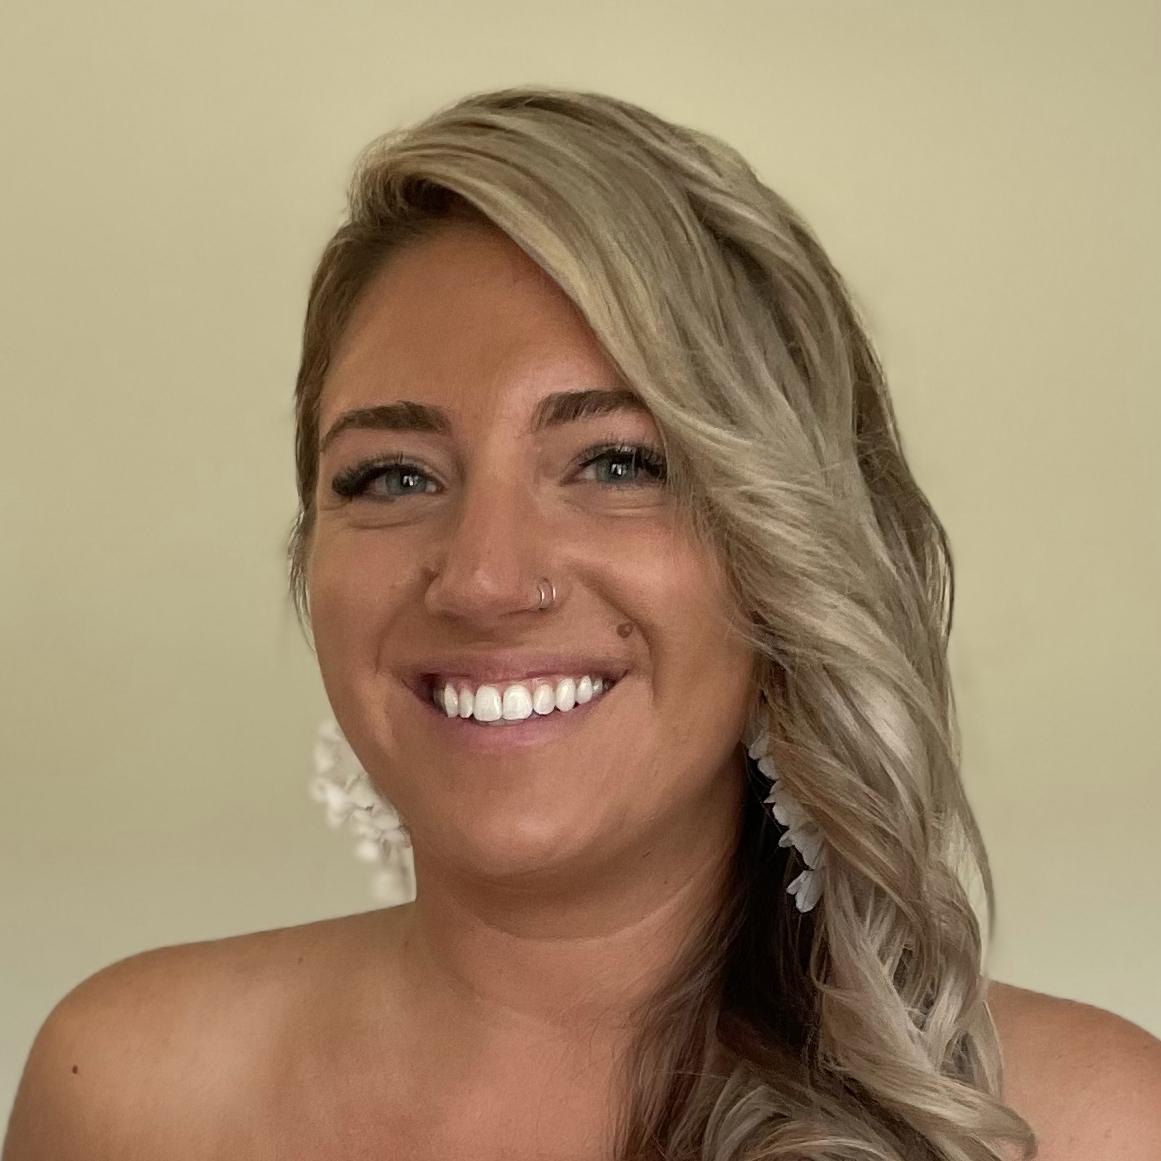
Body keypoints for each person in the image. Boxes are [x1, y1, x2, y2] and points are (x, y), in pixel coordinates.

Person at [5, 85, 1160, 1161]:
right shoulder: (126, 1093)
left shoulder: (1079, 1128)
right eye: (395, 475)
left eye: (617, 463)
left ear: (790, 554)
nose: (485, 578)